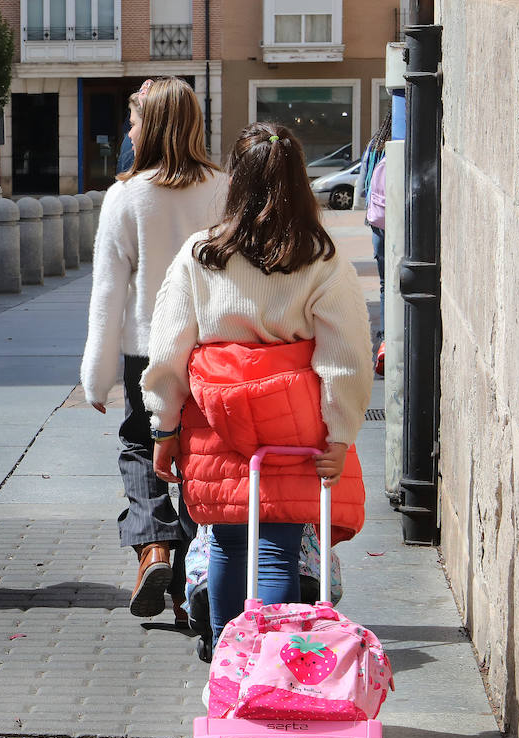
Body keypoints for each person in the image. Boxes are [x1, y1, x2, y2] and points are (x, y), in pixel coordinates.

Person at [141, 122, 373, 645]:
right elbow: (347, 356)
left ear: (236, 182)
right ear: (298, 180)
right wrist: (340, 434)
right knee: (277, 548)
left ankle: (229, 658)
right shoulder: (321, 259)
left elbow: (169, 349)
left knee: (224, 540)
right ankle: (268, 662)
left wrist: (164, 427)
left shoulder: (202, 254)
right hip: (293, 426)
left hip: (217, 421)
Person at [80, 76, 227, 623]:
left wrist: (96, 376)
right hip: (209, 349)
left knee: (141, 445)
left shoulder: (126, 196)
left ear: (154, 127)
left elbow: (107, 292)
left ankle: (154, 545)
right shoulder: (223, 189)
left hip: (147, 353)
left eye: (135, 120)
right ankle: (192, 581)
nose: (130, 130)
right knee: (197, 457)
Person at [357, 109, 390, 332]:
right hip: (399, 220)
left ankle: (386, 331)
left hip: (378, 220)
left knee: (384, 282)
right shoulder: (404, 143)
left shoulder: (376, 144)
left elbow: (362, 183)